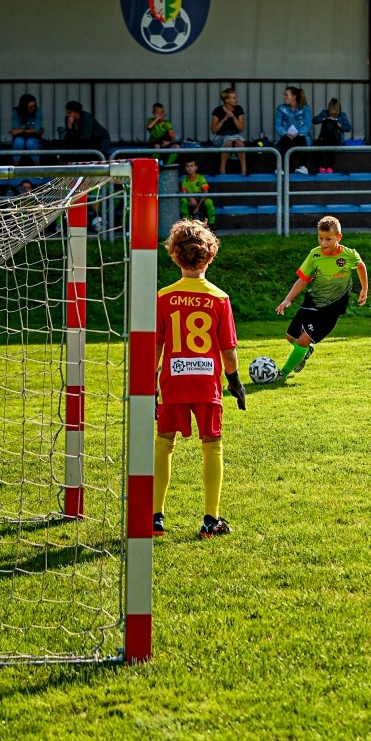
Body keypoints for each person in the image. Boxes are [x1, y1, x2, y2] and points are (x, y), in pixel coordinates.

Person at [153, 220, 246, 539]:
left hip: (173, 382)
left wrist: (150, 385)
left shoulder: (164, 296)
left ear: (174, 255)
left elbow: (156, 347)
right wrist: (235, 381)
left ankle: (155, 517)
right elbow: (228, 351)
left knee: (164, 443)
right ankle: (210, 519)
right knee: (212, 446)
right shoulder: (219, 298)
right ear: (210, 256)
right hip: (207, 384)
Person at [269, 215, 368, 380]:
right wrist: (288, 299)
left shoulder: (349, 254)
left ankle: (283, 373)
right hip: (312, 301)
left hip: (332, 308)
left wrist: (364, 289)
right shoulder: (314, 255)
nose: (323, 243)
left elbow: (360, 266)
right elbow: (303, 280)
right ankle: (306, 350)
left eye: (328, 239)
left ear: (339, 237)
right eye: (320, 238)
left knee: (302, 340)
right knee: (291, 337)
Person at [275, 86, 313, 172]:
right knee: (285, 141)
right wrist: (285, 133)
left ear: (294, 97)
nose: (284, 97)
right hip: (285, 136)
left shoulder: (305, 109)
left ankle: (303, 168)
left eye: (286, 95)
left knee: (300, 139)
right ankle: (280, 169)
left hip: (301, 137)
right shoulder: (281, 109)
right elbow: (278, 125)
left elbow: (307, 125)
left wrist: (298, 133)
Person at [210, 88, 247, 175]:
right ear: (226, 100)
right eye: (233, 98)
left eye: (236, 97)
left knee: (239, 142)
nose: (236, 99)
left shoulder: (239, 109)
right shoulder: (218, 110)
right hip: (221, 137)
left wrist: (234, 117)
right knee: (229, 141)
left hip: (235, 136)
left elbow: (241, 128)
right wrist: (224, 119)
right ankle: (222, 169)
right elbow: (213, 130)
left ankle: (244, 170)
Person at [313, 97, 352, 172]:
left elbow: (348, 128)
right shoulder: (324, 113)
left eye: (334, 114)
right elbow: (314, 120)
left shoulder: (342, 115)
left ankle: (329, 167)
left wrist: (340, 125)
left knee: (332, 146)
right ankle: (321, 167)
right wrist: (323, 119)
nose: (333, 116)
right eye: (331, 114)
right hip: (324, 138)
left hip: (336, 139)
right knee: (317, 145)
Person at [180, 158, 216, 226]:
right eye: (188, 166)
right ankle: (186, 222)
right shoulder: (184, 180)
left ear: (196, 167)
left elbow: (205, 193)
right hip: (191, 201)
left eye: (192, 166)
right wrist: (191, 198)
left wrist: (198, 207)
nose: (190, 168)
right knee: (183, 200)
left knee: (209, 202)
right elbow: (184, 193)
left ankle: (212, 223)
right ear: (185, 168)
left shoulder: (201, 178)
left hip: (201, 200)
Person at [10, 93, 44, 163]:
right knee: (18, 142)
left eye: (34, 106)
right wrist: (30, 130)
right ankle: (15, 166)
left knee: (31, 142)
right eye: (30, 107)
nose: (33, 109)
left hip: (33, 136)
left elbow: (36, 129)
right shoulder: (16, 112)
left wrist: (21, 131)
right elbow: (16, 129)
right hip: (20, 136)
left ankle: (38, 166)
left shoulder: (38, 111)